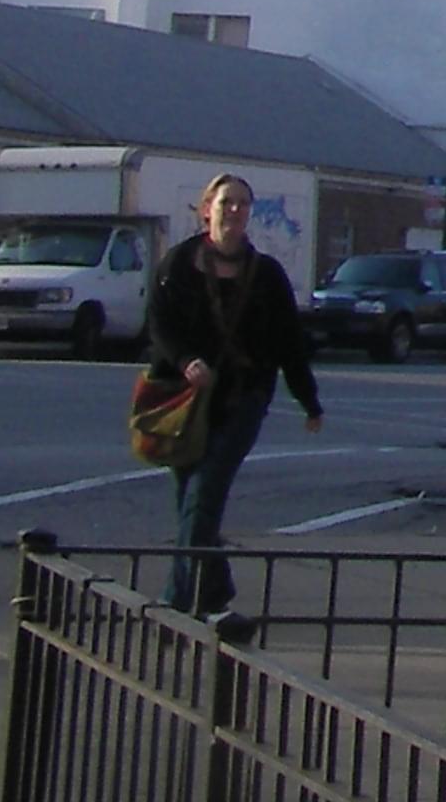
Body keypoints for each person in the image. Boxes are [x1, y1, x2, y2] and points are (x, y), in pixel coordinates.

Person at [144, 173, 322, 618]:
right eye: (227, 203)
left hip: (244, 398)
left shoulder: (266, 275)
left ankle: (176, 605)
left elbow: (289, 343)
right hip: (187, 401)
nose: (235, 211)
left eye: (243, 204)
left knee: (204, 496)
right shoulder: (179, 265)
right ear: (207, 210)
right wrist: (186, 361)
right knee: (190, 502)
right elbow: (159, 326)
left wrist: (308, 400)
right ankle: (215, 587)